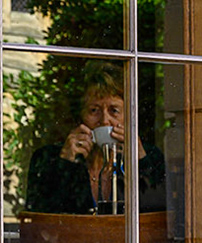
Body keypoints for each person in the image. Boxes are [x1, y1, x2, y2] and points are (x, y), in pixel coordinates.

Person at [24, 74, 165, 215]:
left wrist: (140, 160)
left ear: (128, 117)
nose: (104, 121)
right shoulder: (48, 157)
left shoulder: (149, 156)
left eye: (114, 111)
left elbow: (157, 216)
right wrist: (65, 163)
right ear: (80, 116)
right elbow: (39, 218)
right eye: (94, 110)